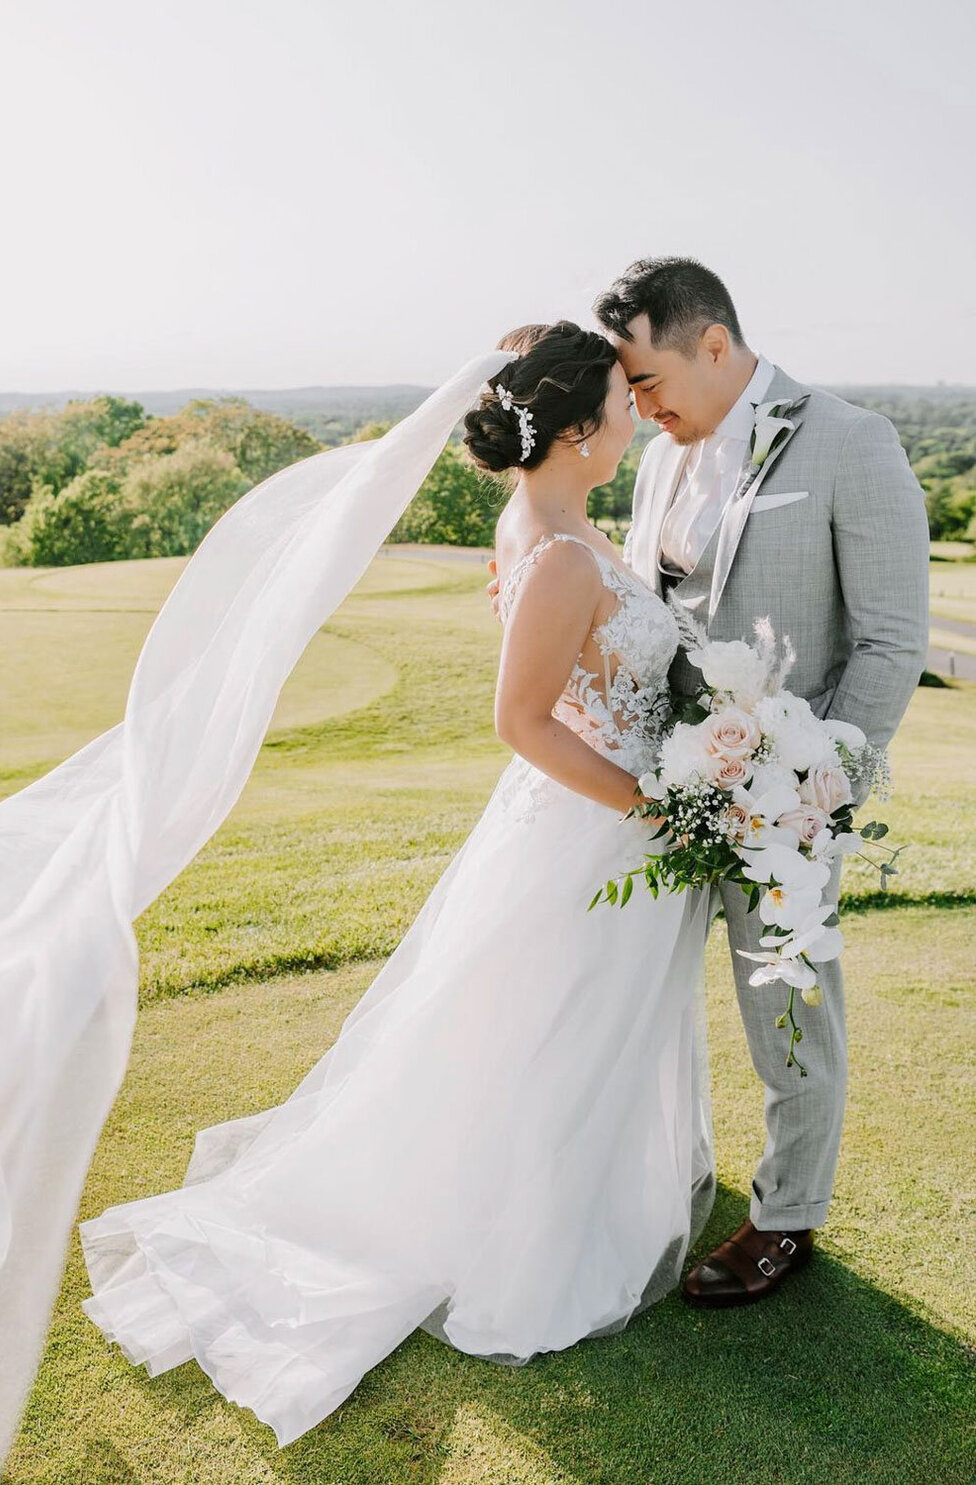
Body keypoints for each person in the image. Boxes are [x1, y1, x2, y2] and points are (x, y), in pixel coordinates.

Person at [80, 321, 718, 1447]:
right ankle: (516, 1243)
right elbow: (519, 722)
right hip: (591, 834)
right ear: (575, 427)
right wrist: (658, 806)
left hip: (599, 832)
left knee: (562, 1032)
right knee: (552, 1034)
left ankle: (577, 1202)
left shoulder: (550, 522)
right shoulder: (562, 549)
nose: (639, 411)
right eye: (623, 397)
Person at [489, 260, 930, 1309]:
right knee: (622, 1000)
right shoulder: (653, 469)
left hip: (788, 798)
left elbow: (887, 641)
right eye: (625, 393)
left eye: (646, 381)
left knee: (788, 1002)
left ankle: (786, 1218)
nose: (637, 409)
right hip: (662, 795)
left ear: (715, 346)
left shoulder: (850, 443)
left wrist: (819, 788)